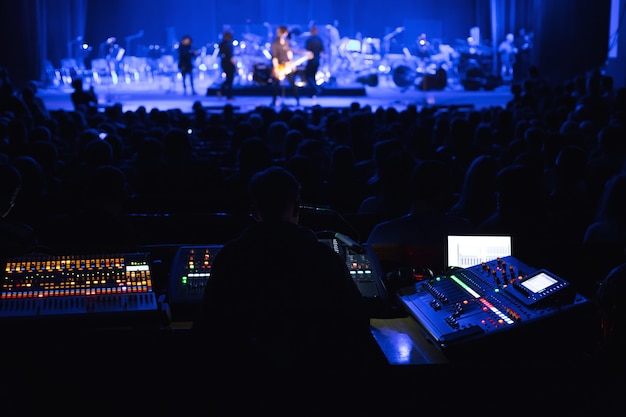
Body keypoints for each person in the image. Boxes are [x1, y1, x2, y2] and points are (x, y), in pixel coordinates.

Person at [193, 166, 379, 379]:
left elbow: (207, 325)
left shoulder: (231, 256)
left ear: (254, 211)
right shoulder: (323, 257)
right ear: (297, 207)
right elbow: (357, 319)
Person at [270, 25, 300, 107]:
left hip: (287, 66)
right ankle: (274, 101)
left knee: (292, 84)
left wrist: (291, 63)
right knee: (276, 85)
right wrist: (276, 68)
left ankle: (298, 100)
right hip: (279, 66)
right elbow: (274, 57)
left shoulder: (287, 41)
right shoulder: (275, 43)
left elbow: (289, 53)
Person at [304, 25, 324, 97]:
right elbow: (322, 51)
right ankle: (313, 93)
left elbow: (307, 51)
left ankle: (316, 89)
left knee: (308, 76)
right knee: (313, 76)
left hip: (311, 61)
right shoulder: (319, 40)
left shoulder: (309, 40)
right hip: (317, 60)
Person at [217, 29, 236, 100]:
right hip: (229, 64)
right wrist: (235, 65)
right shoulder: (228, 44)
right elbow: (230, 56)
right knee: (230, 80)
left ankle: (223, 92)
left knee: (228, 79)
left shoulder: (221, 44)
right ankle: (228, 95)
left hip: (224, 63)